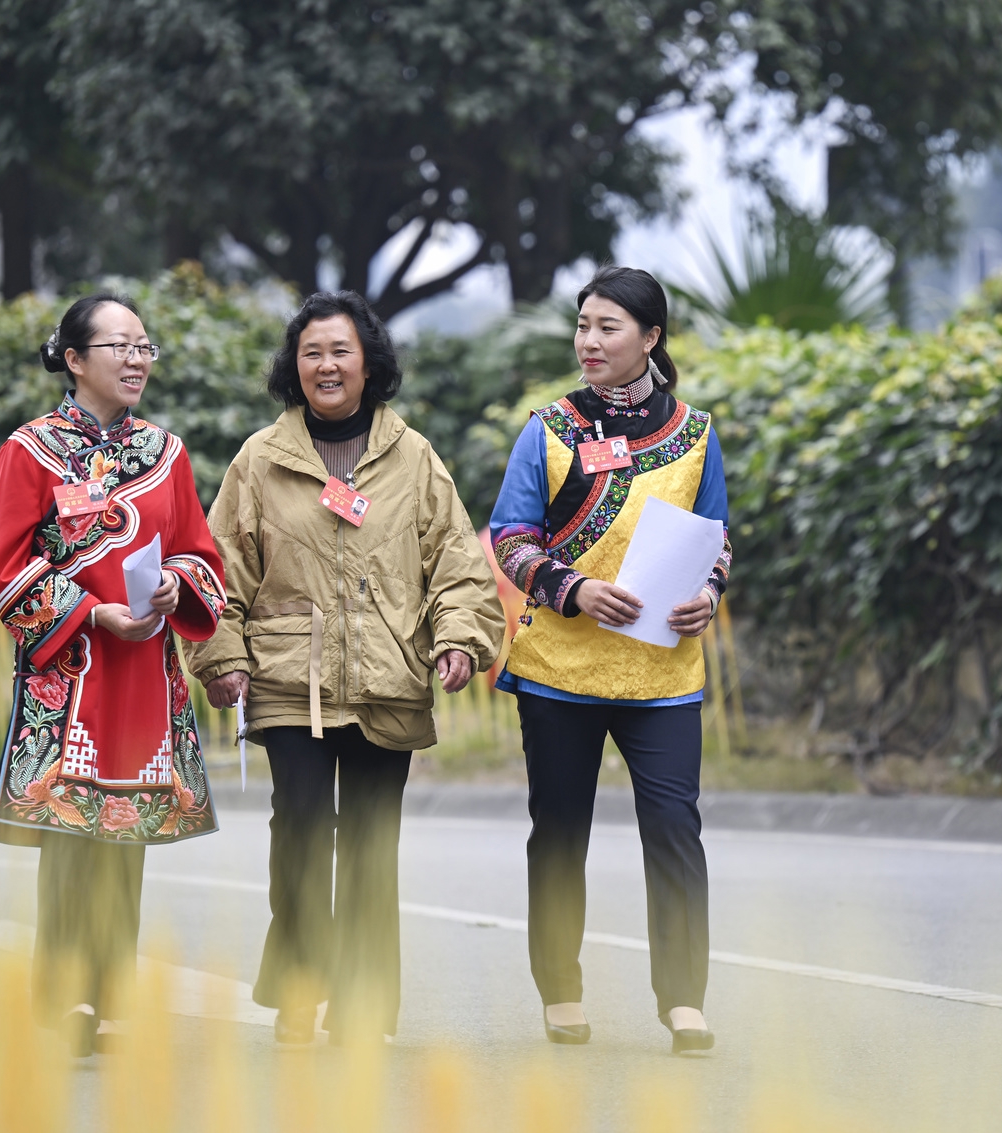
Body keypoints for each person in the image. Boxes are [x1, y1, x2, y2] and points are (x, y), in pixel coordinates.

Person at [186, 291, 504, 1045]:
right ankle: (300, 990)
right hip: (288, 679)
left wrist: (459, 638)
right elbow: (218, 568)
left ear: (369, 363)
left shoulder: (414, 457)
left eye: (340, 351)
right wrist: (222, 656)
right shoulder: (260, 459)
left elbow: (455, 563)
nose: (326, 365)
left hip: (388, 678)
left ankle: (362, 1005)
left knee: (368, 843)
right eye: (312, 353)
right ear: (294, 367)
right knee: (299, 827)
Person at [0, 292, 228, 1056]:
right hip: (72, 676)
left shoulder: (167, 453)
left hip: (145, 673)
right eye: (120, 345)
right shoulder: (30, 450)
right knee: (69, 836)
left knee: (126, 835)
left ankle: (112, 996)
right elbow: (7, 569)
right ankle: (65, 999)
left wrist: (178, 583)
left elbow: (199, 553)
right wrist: (91, 611)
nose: (137, 359)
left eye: (144, 346)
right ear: (75, 358)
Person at [488, 265, 731, 1055]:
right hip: (560, 673)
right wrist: (575, 590)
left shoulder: (697, 434)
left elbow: (717, 538)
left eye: (607, 327)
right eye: (583, 325)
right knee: (560, 832)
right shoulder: (548, 430)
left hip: (664, 675)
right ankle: (560, 988)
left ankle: (684, 999)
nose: (588, 341)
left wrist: (708, 595)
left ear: (650, 338)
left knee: (675, 828)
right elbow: (510, 538)